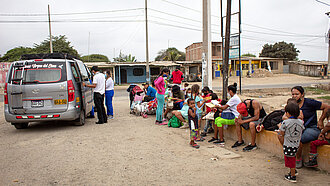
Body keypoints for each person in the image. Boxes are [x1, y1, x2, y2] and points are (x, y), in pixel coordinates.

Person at [291, 86, 329, 168]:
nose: (294, 96)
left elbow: (327, 107)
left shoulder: (309, 102)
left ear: (302, 94)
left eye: (297, 94)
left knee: (298, 138)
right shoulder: (292, 104)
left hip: (312, 128)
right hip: (299, 127)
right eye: (293, 94)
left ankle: (298, 159)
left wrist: (321, 120)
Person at [277, 102, 304, 183]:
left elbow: (281, 133)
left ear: (288, 113)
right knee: (293, 157)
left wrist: (279, 127)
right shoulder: (300, 122)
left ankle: (292, 176)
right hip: (296, 144)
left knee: (290, 159)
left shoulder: (286, 122)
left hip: (288, 144)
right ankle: (293, 171)